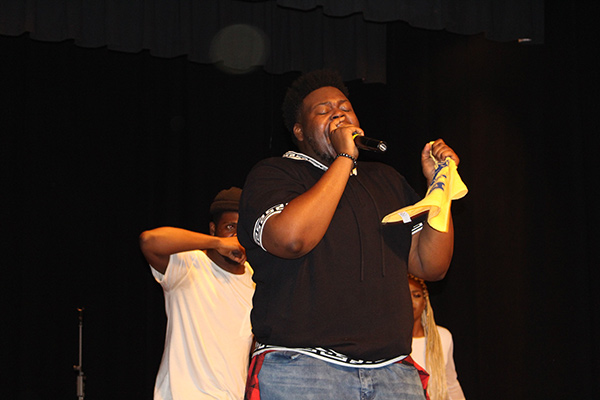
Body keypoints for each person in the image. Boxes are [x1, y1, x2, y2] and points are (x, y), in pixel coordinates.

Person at [238, 69, 461, 399]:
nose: (338, 113)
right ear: (298, 130)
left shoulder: (386, 179)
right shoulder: (275, 174)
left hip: (394, 373)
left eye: (344, 106)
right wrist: (344, 158)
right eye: (324, 109)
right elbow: (291, 239)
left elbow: (431, 265)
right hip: (303, 368)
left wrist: (438, 188)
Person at [139, 187, 255, 400]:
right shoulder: (190, 264)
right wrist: (219, 244)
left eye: (243, 229)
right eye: (230, 227)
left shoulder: (256, 280)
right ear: (213, 229)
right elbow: (149, 241)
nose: (236, 237)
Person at [408, 274, 466, 400]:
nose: (410, 300)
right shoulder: (388, 342)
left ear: (425, 301)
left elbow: (451, 384)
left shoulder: (442, 337)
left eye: (416, 295)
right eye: (405, 295)